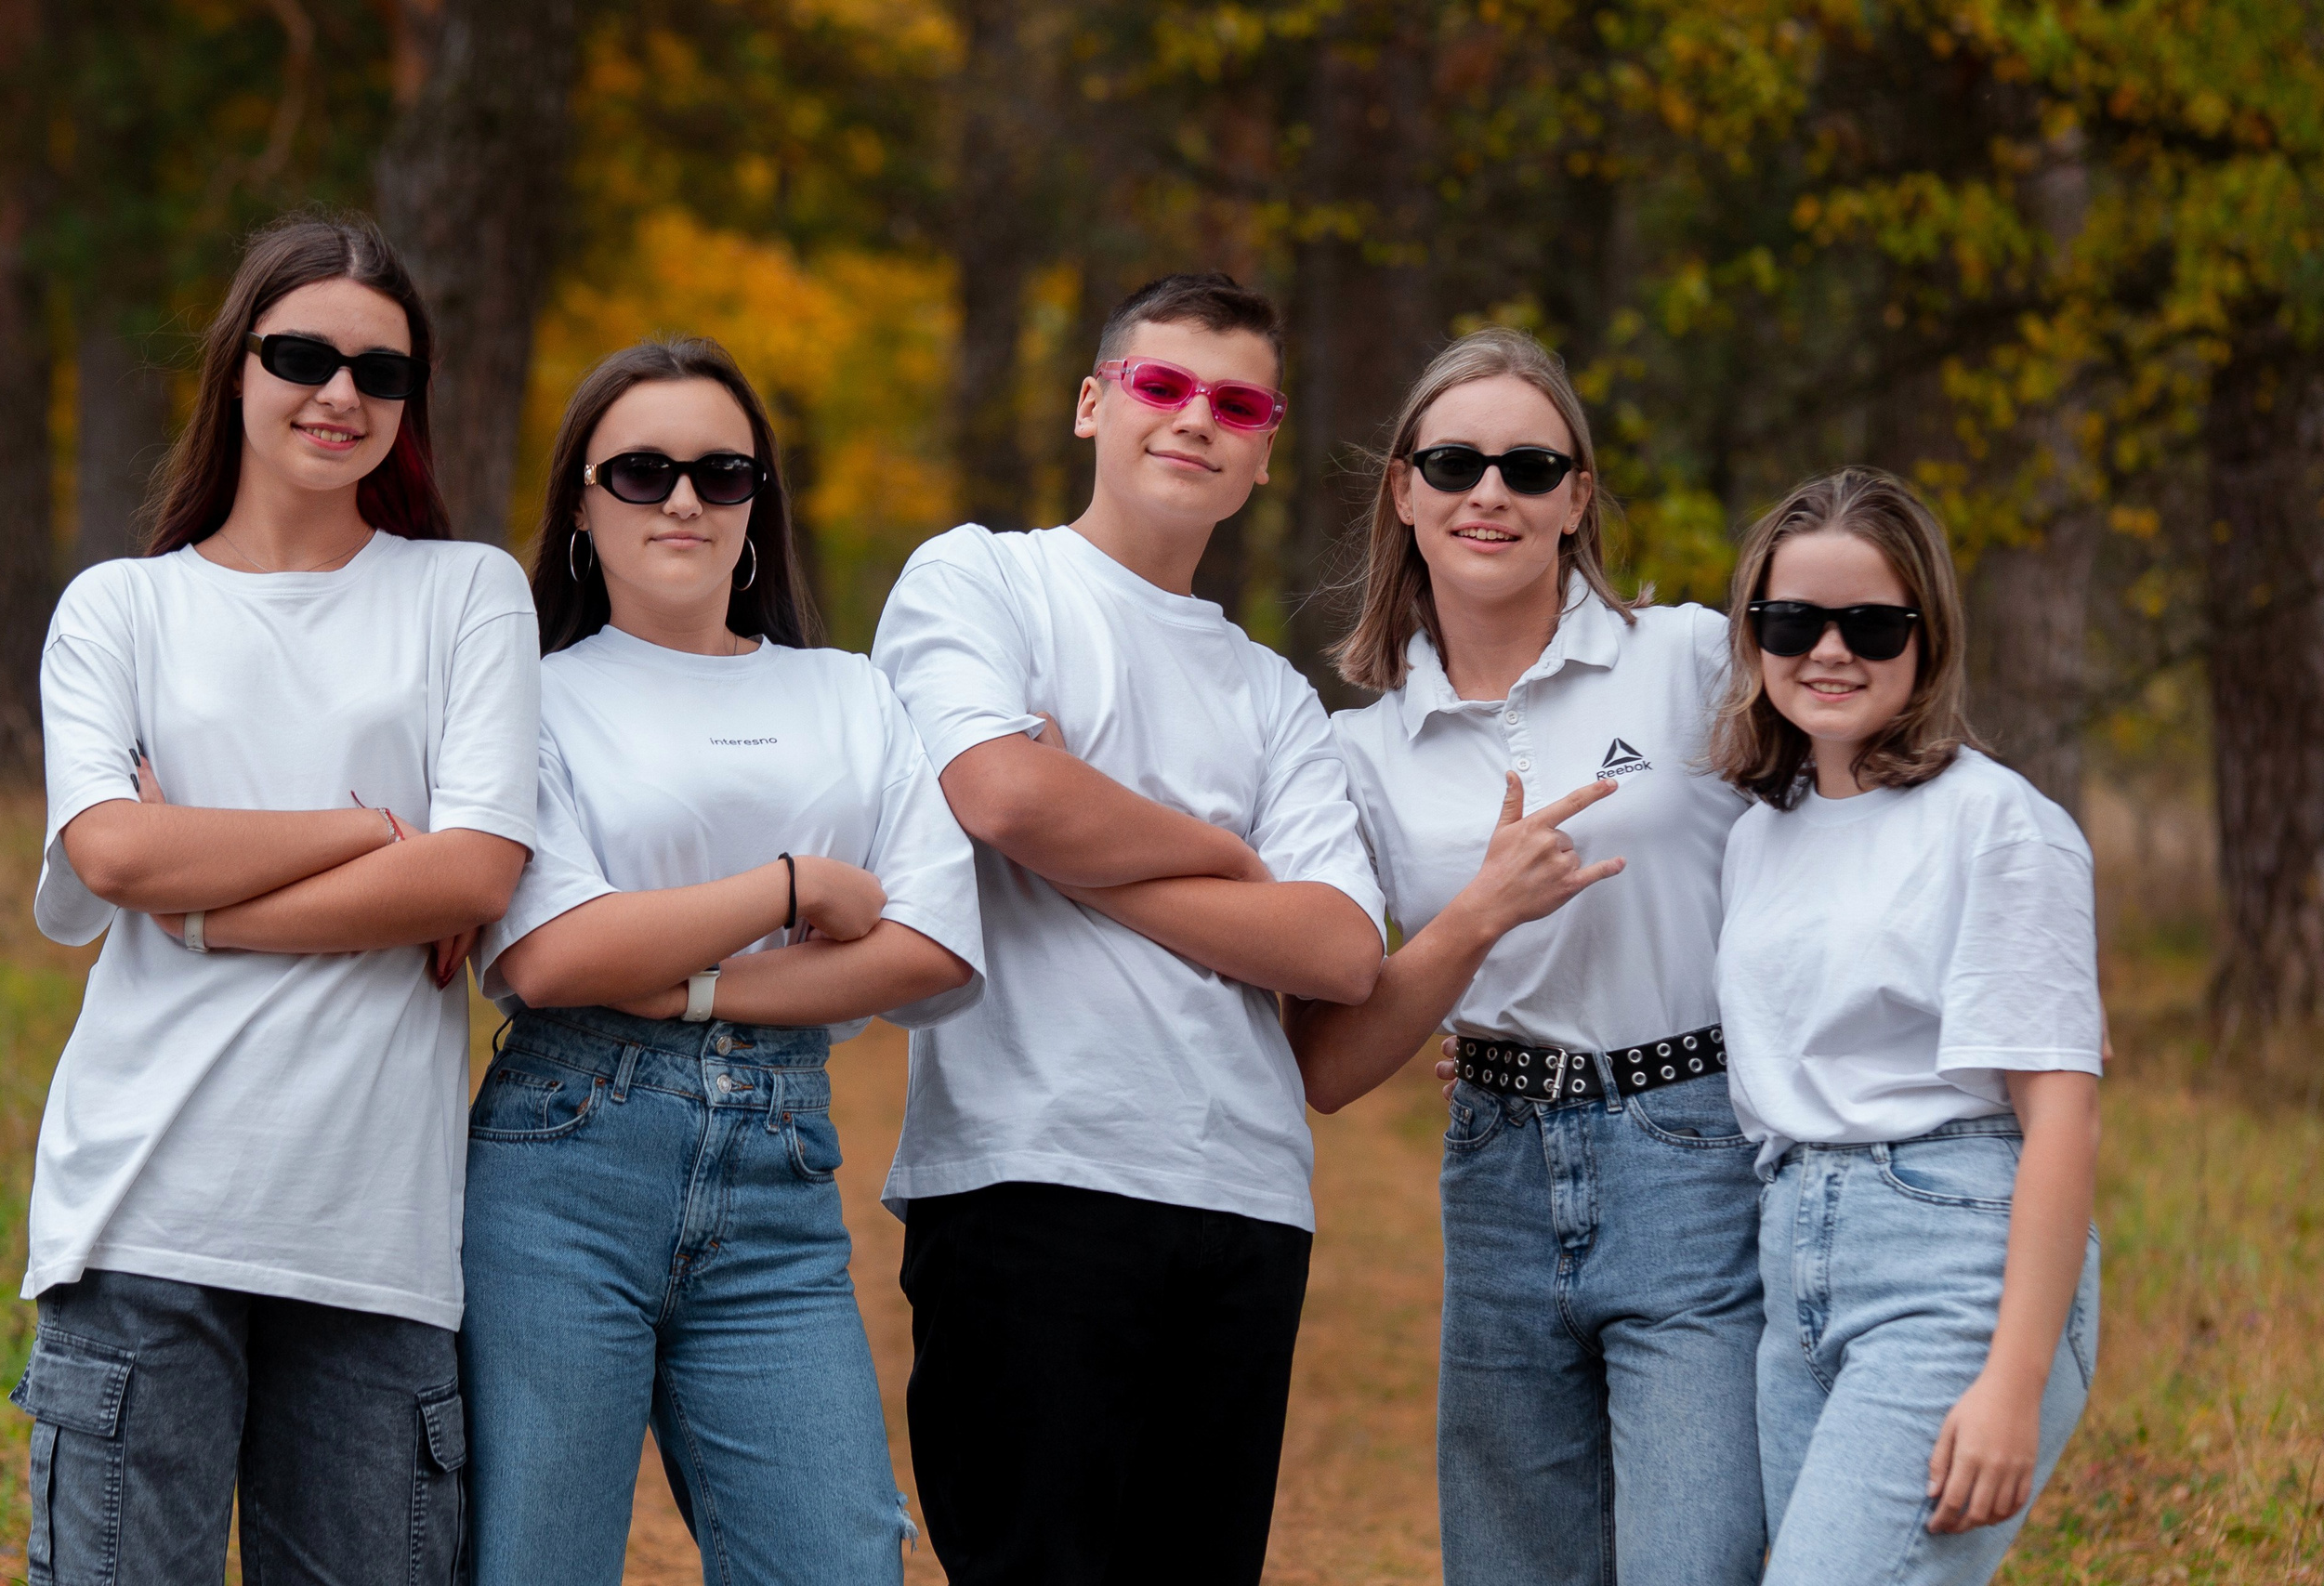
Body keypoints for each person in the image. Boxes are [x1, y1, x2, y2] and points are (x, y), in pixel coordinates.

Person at [16, 214, 538, 1585]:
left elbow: (480, 864)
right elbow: (116, 854)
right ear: (234, 370)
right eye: (301, 353)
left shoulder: (466, 593)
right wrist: (371, 833)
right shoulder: (120, 608)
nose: (340, 393)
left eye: (381, 369)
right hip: (144, 1208)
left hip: (374, 1237)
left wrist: (207, 900)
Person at [869, 273, 1387, 1584]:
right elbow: (997, 788)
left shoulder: (1276, 695)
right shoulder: (981, 578)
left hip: (1245, 1197)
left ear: (1265, 450)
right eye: (1161, 385)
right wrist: (1227, 854)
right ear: (1095, 402)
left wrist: (1076, 836)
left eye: (1235, 401)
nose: (1193, 418)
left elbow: (1335, 948)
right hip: (1029, 1170)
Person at [461, 337, 982, 1586]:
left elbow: (933, 944)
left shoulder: (852, 693)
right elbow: (547, 953)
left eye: (720, 469)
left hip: (782, 1173)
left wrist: (685, 977)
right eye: (640, 471)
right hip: (562, 1160)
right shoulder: (529, 695)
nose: (683, 498)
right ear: (581, 505)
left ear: (759, 502)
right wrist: (789, 887)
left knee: (842, 1553)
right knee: (538, 1557)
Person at [1287, 326, 1766, 1585]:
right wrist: (1474, 921)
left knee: (1696, 1561)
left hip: (1694, 1151)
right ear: (1404, 491)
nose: (1487, 491)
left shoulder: (1691, 660)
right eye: (1450, 462)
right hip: (1496, 1171)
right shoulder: (1362, 751)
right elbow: (1331, 1062)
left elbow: (1866, 807)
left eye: (1527, 465)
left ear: (1577, 498)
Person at [1708, 467, 2101, 1584]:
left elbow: (2061, 1113)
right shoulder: (1759, 837)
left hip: (1951, 1265)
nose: (1827, 651)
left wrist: (2012, 1382)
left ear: (1926, 637)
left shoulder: (1997, 824)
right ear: (1753, 636)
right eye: (1791, 621)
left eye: (1870, 625)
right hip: (1793, 1271)